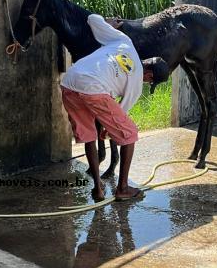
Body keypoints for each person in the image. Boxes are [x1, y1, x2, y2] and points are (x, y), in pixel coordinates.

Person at [60, 13, 155, 202]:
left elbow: (92, 19)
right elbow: (122, 113)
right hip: (93, 88)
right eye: (151, 80)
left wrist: (108, 24)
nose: (147, 82)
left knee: (89, 136)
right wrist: (107, 129)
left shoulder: (124, 41)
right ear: (150, 76)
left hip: (70, 81)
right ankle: (123, 188)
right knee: (130, 135)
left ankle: (98, 188)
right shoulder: (136, 84)